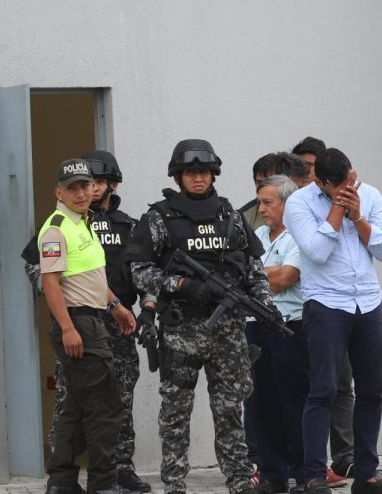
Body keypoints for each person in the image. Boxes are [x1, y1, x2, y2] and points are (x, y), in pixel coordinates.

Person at [128, 139, 273, 494]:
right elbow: (139, 270)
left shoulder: (231, 216)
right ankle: (175, 483)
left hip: (227, 329)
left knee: (229, 409)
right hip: (182, 327)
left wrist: (265, 302)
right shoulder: (160, 217)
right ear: (178, 176)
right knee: (176, 412)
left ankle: (240, 479)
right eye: (191, 172)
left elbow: (254, 267)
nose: (198, 178)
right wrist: (182, 285)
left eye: (204, 172)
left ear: (213, 174)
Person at [283, 148, 382, 494]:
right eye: (337, 186)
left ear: (352, 172)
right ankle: (314, 476)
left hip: (366, 303)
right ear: (320, 181)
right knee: (322, 391)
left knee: (372, 390)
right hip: (326, 305)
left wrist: (357, 216)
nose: (346, 188)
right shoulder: (300, 203)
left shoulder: (370, 195)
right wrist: (337, 208)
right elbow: (317, 252)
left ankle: (366, 476)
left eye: (349, 181)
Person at [39, 159, 137, 494]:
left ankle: (62, 482)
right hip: (79, 322)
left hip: (94, 319)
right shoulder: (56, 228)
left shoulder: (83, 222)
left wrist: (117, 306)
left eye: (86, 186)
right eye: (73, 187)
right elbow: (50, 284)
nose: (82, 193)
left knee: (77, 406)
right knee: (105, 408)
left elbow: (91, 276)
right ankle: (102, 484)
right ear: (58, 191)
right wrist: (68, 328)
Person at [82, 150, 150, 493]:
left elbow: (145, 273)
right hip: (82, 322)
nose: (92, 189)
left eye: (99, 182)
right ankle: (67, 470)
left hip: (121, 327)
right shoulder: (67, 222)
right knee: (75, 399)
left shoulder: (131, 227)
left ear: (113, 184)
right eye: (87, 182)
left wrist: (151, 306)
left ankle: (121, 467)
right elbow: (38, 270)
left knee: (121, 398)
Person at [291, 137, 354, 483]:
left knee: (341, 386)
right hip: (289, 313)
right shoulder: (283, 205)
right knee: (311, 390)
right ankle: (308, 465)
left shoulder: (347, 202)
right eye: (304, 168)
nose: (311, 174)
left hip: (335, 309)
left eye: (316, 167)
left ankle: (346, 457)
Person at [246, 176, 310, 493]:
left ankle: (303, 473)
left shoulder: (299, 236)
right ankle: (273, 474)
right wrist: (260, 275)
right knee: (263, 403)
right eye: (260, 202)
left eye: (268, 202)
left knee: (294, 403)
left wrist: (256, 275)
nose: (262, 209)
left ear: (287, 204)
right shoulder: (257, 235)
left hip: (289, 327)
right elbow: (239, 275)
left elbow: (286, 277)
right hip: (255, 324)